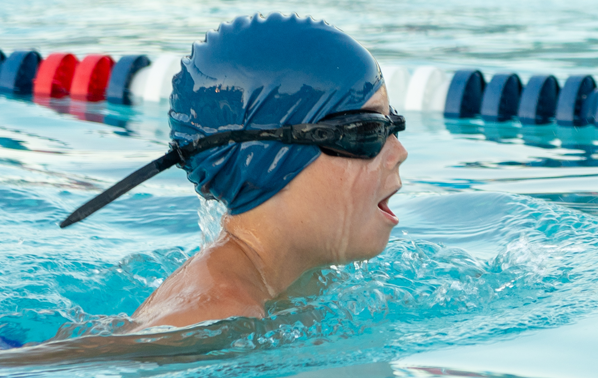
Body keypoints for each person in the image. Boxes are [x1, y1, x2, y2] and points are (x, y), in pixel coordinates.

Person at [57, 13, 406, 332]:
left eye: (395, 126)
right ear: (267, 161)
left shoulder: (306, 278)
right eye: (367, 133)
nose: (399, 152)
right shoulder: (214, 316)